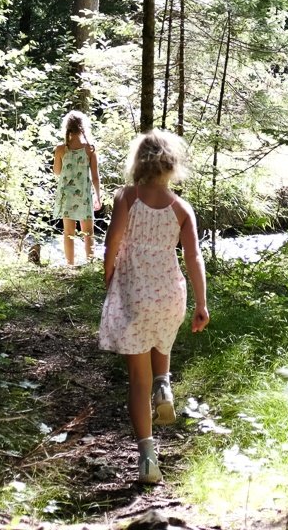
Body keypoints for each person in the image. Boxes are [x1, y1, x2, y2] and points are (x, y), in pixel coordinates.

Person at [99, 128, 209, 486]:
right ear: (171, 166)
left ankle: (147, 458)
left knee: (136, 379)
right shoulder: (182, 208)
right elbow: (193, 257)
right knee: (163, 341)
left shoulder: (127, 197)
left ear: (139, 162)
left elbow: (113, 241)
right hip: (170, 294)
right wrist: (201, 303)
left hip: (135, 292)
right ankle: (165, 385)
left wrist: (110, 275)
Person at [52, 110, 102, 266]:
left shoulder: (60, 149)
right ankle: (90, 263)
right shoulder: (90, 149)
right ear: (83, 128)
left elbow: (57, 172)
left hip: (67, 195)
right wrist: (98, 196)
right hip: (84, 195)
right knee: (88, 233)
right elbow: (95, 176)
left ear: (67, 128)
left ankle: (70, 265)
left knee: (68, 233)